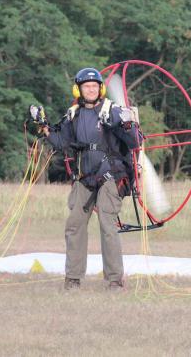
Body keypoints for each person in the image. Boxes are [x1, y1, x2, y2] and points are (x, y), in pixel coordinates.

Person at [33, 67, 141, 290]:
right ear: (79, 90)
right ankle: (73, 278)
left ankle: (115, 280)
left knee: (107, 224)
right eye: (86, 86)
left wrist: (128, 124)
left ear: (100, 89)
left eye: (94, 86)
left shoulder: (112, 111)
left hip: (111, 176)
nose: (91, 90)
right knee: (74, 225)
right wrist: (44, 127)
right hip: (84, 178)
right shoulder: (74, 115)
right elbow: (61, 142)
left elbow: (135, 141)